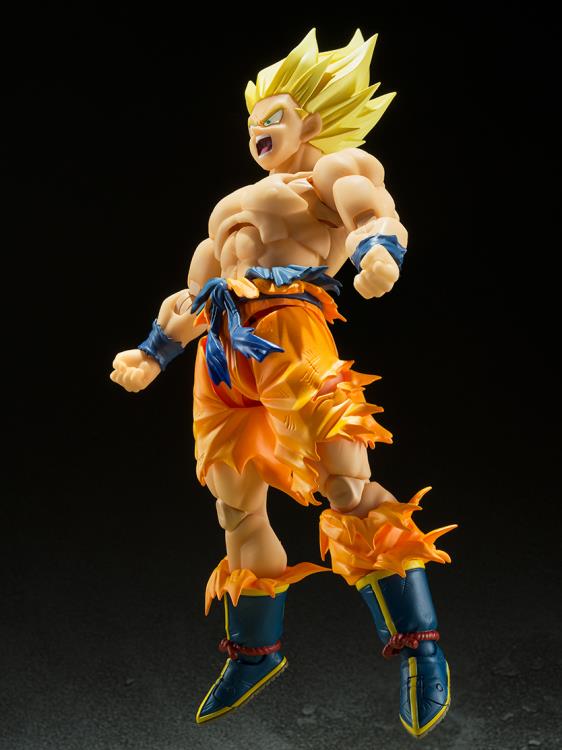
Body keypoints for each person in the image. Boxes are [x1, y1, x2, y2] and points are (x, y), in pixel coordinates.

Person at [110, 28, 456, 738]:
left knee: (347, 485)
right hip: (221, 353)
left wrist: (378, 253)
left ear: (313, 122)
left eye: (273, 116)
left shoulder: (331, 169)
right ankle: (255, 654)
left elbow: (373, 211)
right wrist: (153, 352)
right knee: (236, 507)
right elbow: (195, 292)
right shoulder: (231, 203)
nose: (257, 131)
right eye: (250, 121)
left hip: (290, 332)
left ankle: (420, 649)